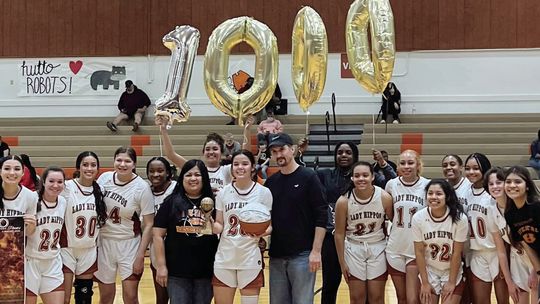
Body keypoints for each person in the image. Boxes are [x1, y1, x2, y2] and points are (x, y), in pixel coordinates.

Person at [314, 142, 396, 304]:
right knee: (337, 287)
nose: (343, 155)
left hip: (373, 244)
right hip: (343, 241)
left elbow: (394, 182)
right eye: (340, 152)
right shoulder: (327, 179)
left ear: (372, 176)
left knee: (375, 295)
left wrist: (383, 164)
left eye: (348, 152)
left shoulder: (381, 192)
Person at [264, 132, 328, 304]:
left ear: (292, 150)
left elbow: (322, 215)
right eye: (275, 151)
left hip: (303, 255)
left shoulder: (309, 177)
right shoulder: (271, 182)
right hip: (277, 255)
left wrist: (316, 251)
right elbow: (266, 218)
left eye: (282, 149)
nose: (279, 154)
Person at [153, 159, 219, 304]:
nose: (193, 178)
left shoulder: (215, 202)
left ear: (204, 178)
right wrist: (161, 266)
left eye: (197, 174)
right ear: (182, 178)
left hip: (206, 271)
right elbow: (157, 235)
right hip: (177, 273)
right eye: (188, 175)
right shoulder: (171, 202)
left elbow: (221, 230)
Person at [94, 147, 154, 304]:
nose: (122, 164)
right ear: (113, 161)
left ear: (134, 164)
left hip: (129, 244)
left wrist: (141, 255)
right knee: (105, 297)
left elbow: (149, 225)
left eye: (127, 161)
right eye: (119, 160)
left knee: (130, 297)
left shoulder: (142, 187)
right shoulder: (104, 179)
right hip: (104, 242)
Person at [212, 150, 273, 304]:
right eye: (236, 164)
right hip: (224, 258)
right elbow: (219, 224)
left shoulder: (263, 193)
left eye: (245, 164)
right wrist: (209, 223)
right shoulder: (223, 193)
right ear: (231, 167)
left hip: (250, 258)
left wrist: (260, 233)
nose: (240, 167)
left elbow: (270, 226)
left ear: (252, 167)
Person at [334, 161, 393, 304]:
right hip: (353, 248)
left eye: (365, 175)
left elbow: (395, 225)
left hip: (378, 247)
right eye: (357, 175)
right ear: (352, 178)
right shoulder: (343, 201)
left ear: (373, 177)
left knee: (377, 298)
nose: (361, 179)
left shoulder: (384, 197)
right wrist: (342, 262)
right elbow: (339, 234)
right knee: (357, 298)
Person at [157, 115, 251, 194]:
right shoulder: (197, 169)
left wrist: (247, 129)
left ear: (221, 152)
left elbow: (245, 156)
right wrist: (163, 130)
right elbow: (171, 155)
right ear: (203, 152)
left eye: (215, 149)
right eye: (207, 149)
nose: (211, 152)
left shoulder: (226, 170)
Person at [60, 151, 108, 304]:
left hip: (89, 249)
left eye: (93, 165)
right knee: (64, 299)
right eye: (85, 165)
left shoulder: (101, 190)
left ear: (98, 169)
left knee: (84, 299)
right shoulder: (66, 187)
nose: (89, 168)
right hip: (67, 249)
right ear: (78, 167)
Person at [385, 149, 430, 304]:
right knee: (401, 298)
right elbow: (390, 214)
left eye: (410, 163)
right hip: (395, 248)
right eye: (402, 163)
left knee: (413, 299)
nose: (406, 166)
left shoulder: (427, 185)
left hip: (415, 249)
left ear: (418, 165)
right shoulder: (391, 185)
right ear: (397, 166)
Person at [412, 179, 468, 304]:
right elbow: (419, 253)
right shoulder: (418, 218)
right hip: (430, 270)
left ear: (447, 196)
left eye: (439, 193)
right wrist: (425, 283)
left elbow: (456, 254)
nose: (434, 197)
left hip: (451, 271)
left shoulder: (460, 218)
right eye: (430, 193)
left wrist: (451, 282)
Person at [462, 153, 508, 304]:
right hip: (476, 253)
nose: (471, 172)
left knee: (503, 301)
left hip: (497, 251)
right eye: (467, 168)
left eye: (476, 168)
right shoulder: (465, 192)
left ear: (485, 169)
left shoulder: (494, 193)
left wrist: (505, 257)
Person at [485, 167, 530, 304]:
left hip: (535, 259)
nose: (495, 186)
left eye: (499, 182)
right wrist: (509, 282)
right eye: (491, 184)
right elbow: (501, 251)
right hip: (517, 257)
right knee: (519, 299)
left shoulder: (520, 205)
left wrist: (535, 271)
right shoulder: (491, 210)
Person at [26, 166, 67, 304]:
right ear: (43, 181)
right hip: (29, 262)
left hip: (52, 262)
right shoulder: (31, 198)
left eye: (60, 182)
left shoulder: (62, 202)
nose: (56, 185)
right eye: (51, 181)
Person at [503, 166, 540, 295]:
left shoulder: (536, 207)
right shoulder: (510, 214)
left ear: (527, 186)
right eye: (508, 182)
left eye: (517, 181)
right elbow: (527, 246)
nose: (512, 185)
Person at [146, 156, 176, 304]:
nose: (155, 174)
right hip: (156, 252)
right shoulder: (145, 193)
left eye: (160, 171)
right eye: (151, 171)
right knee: (161, 299)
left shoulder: (177, 189)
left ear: (168, 173)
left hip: (177, 251)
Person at [0, 155, 37, 235]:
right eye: (7, 168)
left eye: (17, 169)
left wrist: (31, 225)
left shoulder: (30, 196)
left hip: (16, 246)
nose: (12, 173)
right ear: (0, 171)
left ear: (23, 172)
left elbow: (28, 233)